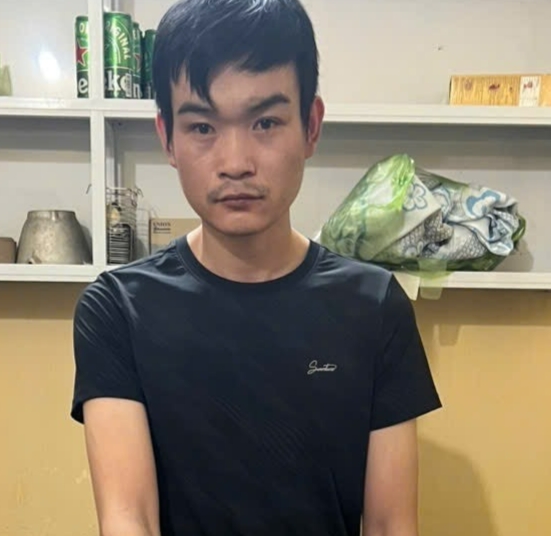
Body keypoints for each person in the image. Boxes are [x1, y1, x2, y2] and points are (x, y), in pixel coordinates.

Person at [70, 0, 442, 534]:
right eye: (202, 127)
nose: (236, 162)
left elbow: (390, 525)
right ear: (167, 138)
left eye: (265, 122)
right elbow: (131, 520)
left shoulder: (374, 306)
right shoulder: (118, 309)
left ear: (311, 126)